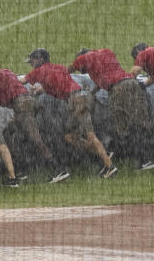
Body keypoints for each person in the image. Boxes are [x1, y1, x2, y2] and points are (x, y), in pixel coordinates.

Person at [20, 48, 117, 179]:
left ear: (39, 59)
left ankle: (109, 166)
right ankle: (102, 154)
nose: (31, 64)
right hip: (81, 97)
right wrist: (41, 89)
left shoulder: (38, 71)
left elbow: (21, 82)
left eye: (31, 60)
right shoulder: (58, 67)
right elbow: (58, 83)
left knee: (90, 135)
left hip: (76, 100)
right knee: (69, 136)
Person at [0, 59, 70, 183]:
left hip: (21, 105)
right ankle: (20, 168)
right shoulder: (6, 71)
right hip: (29, 101)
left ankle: (59, 169)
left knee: (35, 138)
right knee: (9, 133)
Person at [71, 48, 154, 170]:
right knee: (140, 122)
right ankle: (148, 158)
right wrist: (93, 92)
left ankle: (115, 154)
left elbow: (69, 69)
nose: (81, 70)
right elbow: (104, 78)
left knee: (120, 126)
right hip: (132, 83)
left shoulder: (86, 58)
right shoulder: (104, 55)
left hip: (119, 89)